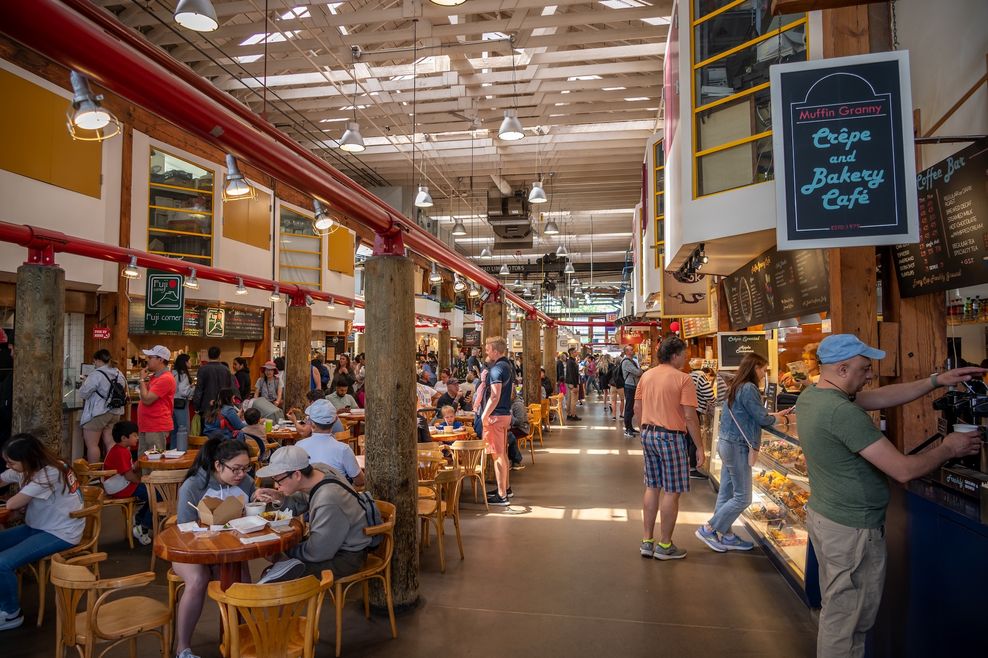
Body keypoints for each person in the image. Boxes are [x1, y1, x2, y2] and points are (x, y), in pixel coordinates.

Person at [794, 334, 983, 658]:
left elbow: (880, 397)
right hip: (852, 531)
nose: (870, 376)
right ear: (841, 369)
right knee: (845, 623)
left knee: (842, 615)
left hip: (829, 520)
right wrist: (949, 447)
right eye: (864, 369)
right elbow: (903, 470)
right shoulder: (842, 413)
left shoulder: (813, 396)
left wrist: (936, 380)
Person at [695, 354, 790, 553]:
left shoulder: (737, 385)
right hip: (738, 446)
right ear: (755, 368)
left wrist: (771, 415)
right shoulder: (749, 388)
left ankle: (727, 535)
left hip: (728, 443)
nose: (765, 374)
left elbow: (748, 413)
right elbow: (761, 419)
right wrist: (778, 420)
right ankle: (709, 529)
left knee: (726, 493)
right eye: (764, 369)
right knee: (743, 497)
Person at [174, 439, 255, 658]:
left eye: (245, 468)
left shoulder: (246, 482)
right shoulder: (194, 486)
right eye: (236, 469)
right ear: (218, 465)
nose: (242, 474)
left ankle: (239, 638)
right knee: (198, 580)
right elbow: (183, 529)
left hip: (229, 549)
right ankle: (183, 648)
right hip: (190, 549)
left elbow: (251, 511)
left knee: (241, 578)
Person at [0, 433, 84, 631]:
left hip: (61, 532)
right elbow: (3, 479)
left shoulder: (50, 473)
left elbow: (12, 503)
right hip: (38, 526)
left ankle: (11, 613)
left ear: (27, 459)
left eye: (11, 463)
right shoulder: (31, 467)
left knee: (2, 563)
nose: (8, 466)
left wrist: (13, 501)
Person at [254, 446, 372, 579]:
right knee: (277, 565)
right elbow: (299, 503)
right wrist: (278, 496)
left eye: (278, 480)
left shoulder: (328, 498)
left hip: (348, 556)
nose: (276, 486)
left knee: (275, 575)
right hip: (330, 545)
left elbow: (317, 553)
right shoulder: (319, 470)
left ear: (297, 474)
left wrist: (283, 551)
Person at [634, 335, 702, 561]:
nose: (685, 358)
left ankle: (647, 541)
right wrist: (700, 448)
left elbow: (637, 407)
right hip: (671, 438)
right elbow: (690, 418)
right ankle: (665, 545)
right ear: (674, 355)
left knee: (652, 486)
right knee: (672, 491)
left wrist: (643, 429)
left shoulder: (646, 376)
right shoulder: (683, 379)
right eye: (683, 354)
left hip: (648, 433)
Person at [104, 420, 154, 545]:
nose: (137, 438)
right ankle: (143, 525)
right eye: (135, 435)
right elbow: (128, 476)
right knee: (156, 495)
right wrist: (140, 481)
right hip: (121, 487)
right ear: (124, 438)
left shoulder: (120, 449)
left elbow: (129, 469)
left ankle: (140, 519)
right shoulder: (121, 451)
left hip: (121, 485)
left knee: (154, 493)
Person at [480, 336, 515, 506]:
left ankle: (502, 496)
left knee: (497, 455)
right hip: (505, 415)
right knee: (503, 453)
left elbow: (494, 395)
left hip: (496, 416)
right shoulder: (507, 366)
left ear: (495, 350)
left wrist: (484, 415)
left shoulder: (496, 370)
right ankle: (506, 488)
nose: (486, 351)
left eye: (487, 349)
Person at [296, 400, 363, 486]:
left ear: (312, 423)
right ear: (335, 420)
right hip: (336, 497)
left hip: (308, 497)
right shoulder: (343, 449)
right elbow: (360, 481)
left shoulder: (299, 446)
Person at [78, 348, 127, 463]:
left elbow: (83, 393)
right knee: (110, 442)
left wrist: (84, 382)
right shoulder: (119, 373)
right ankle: (111, 471)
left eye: (94, 361)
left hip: (98, 413)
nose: (94, 364)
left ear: (99, 360)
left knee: (92, 445)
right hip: (115, 412)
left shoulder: (96, 374)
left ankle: (94, 475)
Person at [137, 345, 176, 456]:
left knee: (153, 463)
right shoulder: (155, 377)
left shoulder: (166, 378)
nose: (147, 360)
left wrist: (141, 380)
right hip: (148, 425)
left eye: (150, 357)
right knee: (144, 461)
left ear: (161, 359)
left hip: (156, 426)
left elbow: (147, 400)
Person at [687, 358, 715, 479]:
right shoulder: (701, 378)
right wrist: (715, 402)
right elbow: (710, 395)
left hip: (687, 409)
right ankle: (692, 468)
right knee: (695, 438)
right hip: (696, 410)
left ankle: (687, 465)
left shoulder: (689, 376)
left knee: (688, 438)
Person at [192, 346, 235, 415]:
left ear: (208, 356)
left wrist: (196, 406)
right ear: (219, 356)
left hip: (206, 406)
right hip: (222, 406)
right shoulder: (226, 370)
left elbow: (199, 389)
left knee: (206, 425)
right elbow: (230, 388)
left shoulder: (202, 369)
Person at [171, 353, 193, 451]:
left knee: (174, 431)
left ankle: (172, 451)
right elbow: (184, 391)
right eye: (189, 360)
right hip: (181, 404)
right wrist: (193, 389)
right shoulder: (183, 374)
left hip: (171, 404)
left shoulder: (172, 373)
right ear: (185, 362)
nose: (191, 362)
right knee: (183, 430)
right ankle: (182, 451)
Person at [621, 345, 644, 437]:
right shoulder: (626, 362)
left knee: (632, 407)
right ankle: (627, 429)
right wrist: (641, 370)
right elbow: (638, 372)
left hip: (633, 385)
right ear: (626, 352)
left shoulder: (631, 361)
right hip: (630, 386)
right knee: (629, 408)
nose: (633, 350)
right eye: (631, 350)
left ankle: (630, 427)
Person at [507, 389, 529, 472]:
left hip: (522, 428)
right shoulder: (509, 403)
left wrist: (508, 417)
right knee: (506, 435)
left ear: (512, 395)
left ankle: (516, 460)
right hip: (513, 427)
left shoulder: (518, 405)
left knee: (509, 436)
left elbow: (519, 421)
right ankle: (512, 459)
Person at [564, 348, 581, 421]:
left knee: (569, 399)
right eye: (575, 352)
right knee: (573, 400)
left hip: (569, 383)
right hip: (572, 383)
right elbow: (572, 374)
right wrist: (575, 385)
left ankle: (569, 414)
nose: (577, 353)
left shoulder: (570, 361)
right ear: (572, 353)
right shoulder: (571, 362)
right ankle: (573, 415)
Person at [609, 356, 624, 421]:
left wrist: (608, 382)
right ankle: (621, 414)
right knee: (622, 400)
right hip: (621, 386)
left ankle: (614, 416)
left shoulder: (612, 367)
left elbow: (607, 375)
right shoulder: (622, 368)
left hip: (613, 385)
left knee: (613, 401)